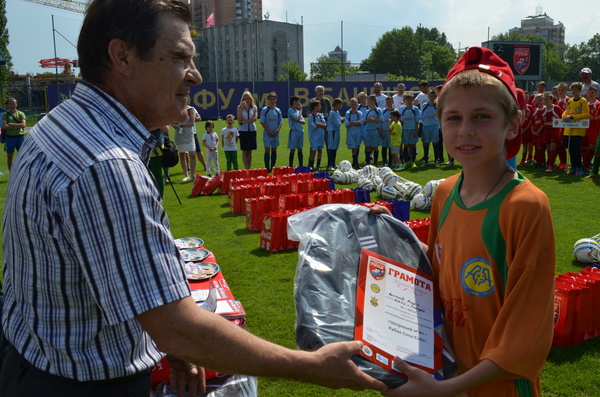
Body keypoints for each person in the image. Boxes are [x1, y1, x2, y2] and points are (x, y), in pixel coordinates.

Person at [0, 2, 386, 396]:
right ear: (123, 56)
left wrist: (171, 344)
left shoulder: (59, 124)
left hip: (31, 359)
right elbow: (177, 325)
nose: (196, 75)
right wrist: (312, 365)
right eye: (181, 57)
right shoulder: (108, 165)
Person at [379, 46, 555, 397]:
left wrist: (445, 390)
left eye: (482, 117)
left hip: (499, 387)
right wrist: (393, 236)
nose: (466, 130)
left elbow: (527, 333)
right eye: (454, 118)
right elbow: (439, 274)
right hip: (446, 374)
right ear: (439, 122)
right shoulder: (444, 193)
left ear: (512, 124)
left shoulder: (525, 205)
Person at [562, 82, 589, 176]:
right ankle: (573, 167)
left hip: (578, 129)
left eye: (576, 90)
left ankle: (579, 168)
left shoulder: (583, 101)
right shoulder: (570, 100)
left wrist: (572, 117)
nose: (573, 91)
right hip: (569, 129)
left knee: (576, 149)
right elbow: (566, 111)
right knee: (570, 149)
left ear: (580, 91)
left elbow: (586, 114)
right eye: (572, 89)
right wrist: (564, 116)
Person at [172, 97, 196, 182]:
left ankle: (193, 175)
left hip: (189, 135)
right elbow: (172, 122)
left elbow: (192, 123)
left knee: (192, 154)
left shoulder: (191, 109)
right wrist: (175, 125)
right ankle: (186, 175)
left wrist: (181, 125)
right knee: (182, 155)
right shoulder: (176, 110)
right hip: (179, 135)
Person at [260, 91, 283, 172]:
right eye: (271, 99)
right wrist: (269, 131)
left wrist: (276, 131)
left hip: (276, 134)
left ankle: (272, 167)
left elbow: (280, 122)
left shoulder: (278, 110)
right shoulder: (265, 110)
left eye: (274, 99)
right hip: (267, 134)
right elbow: (262, 122)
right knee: (267, 150)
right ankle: (267, 169)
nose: (272, 100)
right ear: (268, 100)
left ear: (276, 100)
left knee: (274, 150)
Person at [1, 98, 27, 170]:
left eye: (14, 103)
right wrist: (17, 126)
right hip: (9, 138)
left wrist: (12, 125)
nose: (12, 105)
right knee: (10, 156)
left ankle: (22, 172)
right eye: (11, 104)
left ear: (16, 104)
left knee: (22, 156)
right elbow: (4, 126)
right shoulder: (5, 114)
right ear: (8, 105)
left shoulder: (21, 114)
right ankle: (11, 174)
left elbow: (23, 125)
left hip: (20, 137)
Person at [540, 92, 563, 173]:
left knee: (553, 145)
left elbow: (561, 119)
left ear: (551, 100)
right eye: (544, 99)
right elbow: (543, 121)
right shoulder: (543, 110)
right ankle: (549, 162)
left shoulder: (556, 108)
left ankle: (551, 165)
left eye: (547, 99)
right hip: (547, 130)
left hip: (555, 130)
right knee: (548, 146)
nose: (545, 101)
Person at [399, 93, 421, 168]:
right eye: (407, 99)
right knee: (406, 145)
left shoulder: (415, 109)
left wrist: (416, 130)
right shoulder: (402, 108)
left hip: (412, 129)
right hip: (405, 129)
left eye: (410, 99)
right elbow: (400, 119)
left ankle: (413, 161)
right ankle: (406, 161)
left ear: (412, 100)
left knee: (413, 145)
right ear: (405, 100)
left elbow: (417, 120)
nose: (409, 101)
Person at [237, 91, 258, 170]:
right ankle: (246, 168)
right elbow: (239, 120)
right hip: (243, 130)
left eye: (248, 98)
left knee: (250, 151)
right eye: (245, 99)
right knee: (245, 150)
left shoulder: (254, 107)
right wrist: (242, 109)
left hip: (252, 130)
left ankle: (249, 167)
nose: (247, 100)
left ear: (251, 99)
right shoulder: (239, 107)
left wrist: (245, 121)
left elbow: (255, 118)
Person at [419, 90, 440, 167]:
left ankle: (436, 160)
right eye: (430, 96)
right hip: (426, 126)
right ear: (428, 97)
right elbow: (421, 114)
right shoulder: (424, 105)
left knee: (435, 143)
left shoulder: (437, 105)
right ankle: (426, 160)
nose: (432, 98)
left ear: (435, 97)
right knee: (426, 143)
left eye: (433, 96)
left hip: (434, 126)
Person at [362, 95, 384, 165]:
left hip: (375, 130)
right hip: (367, 130)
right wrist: (366, 121)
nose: (367, 102)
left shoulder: (378, 110)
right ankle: (368, 162)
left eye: (368, 101)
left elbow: (382, 120)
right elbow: (364, 121)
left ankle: (375, 163)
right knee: (367, 146)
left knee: (375, 147)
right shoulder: (367, 111)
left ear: (373, 101)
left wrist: (372, 120)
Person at [149, 125, 169, 197]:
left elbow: (166, 129)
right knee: (147, 175)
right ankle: (151, 196)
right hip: (143, 147)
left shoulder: (157, 115)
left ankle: (160, 198)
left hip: (156, 148)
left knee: (157, 174)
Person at [583, 86, 600, 172]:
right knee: (583, 146)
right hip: (584, 128)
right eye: (589, 93)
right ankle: (584, 164)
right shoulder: (584, 104)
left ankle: (587, 164)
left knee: (592, 146)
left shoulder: (598, 104)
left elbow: (597, 117)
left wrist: (590, 117)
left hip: (594, 129)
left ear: (596, 94)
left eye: (592, 93)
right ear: (586, 94)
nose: (590, 95)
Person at [307, 99, 326, 170]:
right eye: (319, 105)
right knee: (313, 150)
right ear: (315, 107)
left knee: (320, 150)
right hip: (313, 136)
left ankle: (318, 165)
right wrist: (320, 124)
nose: (320, 106)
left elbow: (324, 125)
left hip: (321, 135)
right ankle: (311, 164)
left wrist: (317, 124)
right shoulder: (311, 116)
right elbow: (313, 126)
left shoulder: (320, 115)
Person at [344, 97, 363, 169]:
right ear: (350, 104)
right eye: (352, 104)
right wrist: (356, 122)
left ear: (357, 104)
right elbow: (346, 124)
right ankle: (354, 162)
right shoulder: (348, 113)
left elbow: (361, 122)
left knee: (357, 146)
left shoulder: (359, 113)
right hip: (350, 132)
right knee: (353, 147)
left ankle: (356, 162)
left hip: (358, 132)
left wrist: (352, 122)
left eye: (355, 104)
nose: (353, 105)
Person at [287, 95, 305, 167]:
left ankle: (301, 165)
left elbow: (303, 121)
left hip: (300, 131)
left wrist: (299, 120)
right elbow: (297, 118)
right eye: (298, 101)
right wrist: (301, 110)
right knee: (293, 149)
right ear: (294, 102)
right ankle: (290, 165)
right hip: (294, 131)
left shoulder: (297, 111)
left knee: (300, 148)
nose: (299, 103)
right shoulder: (290, 110)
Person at [326, 98, 343, 170]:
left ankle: (333, 164)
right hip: (333, 131)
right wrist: (342, 122)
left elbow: (341, 119)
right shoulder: (332, 112)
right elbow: (338, 123)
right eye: (340, 104)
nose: (341, 106)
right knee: (332, 148)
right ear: (337, 104)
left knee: (335, 148)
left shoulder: (337, 112)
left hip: (336, 132)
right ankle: (329, 165)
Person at [381, 96, 395, 167]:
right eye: (387, 102)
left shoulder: (395, 111)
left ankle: (390, 162)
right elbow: (380, 122)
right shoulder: (383, 111)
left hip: (392, 133)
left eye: (389, 102)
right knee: (384, 147)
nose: (388, 103)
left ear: (393, 102)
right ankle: (384, 162)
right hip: (384, 131)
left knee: (390, 147)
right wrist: (381, 132)